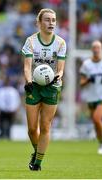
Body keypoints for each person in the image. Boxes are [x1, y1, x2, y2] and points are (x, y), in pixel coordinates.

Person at [21, 9, 66, 171]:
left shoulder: (61, 42)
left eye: (53, 20)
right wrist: (29, 81)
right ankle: (37, 152)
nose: (51, 23)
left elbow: (60, 69)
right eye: (47, 20)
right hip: (34, 85)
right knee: (32, 129)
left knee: (45, 126)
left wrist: (58, 76)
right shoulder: (31, 41)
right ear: (39, 23)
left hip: (52, 86)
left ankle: (37, 163)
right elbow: (27, 66)